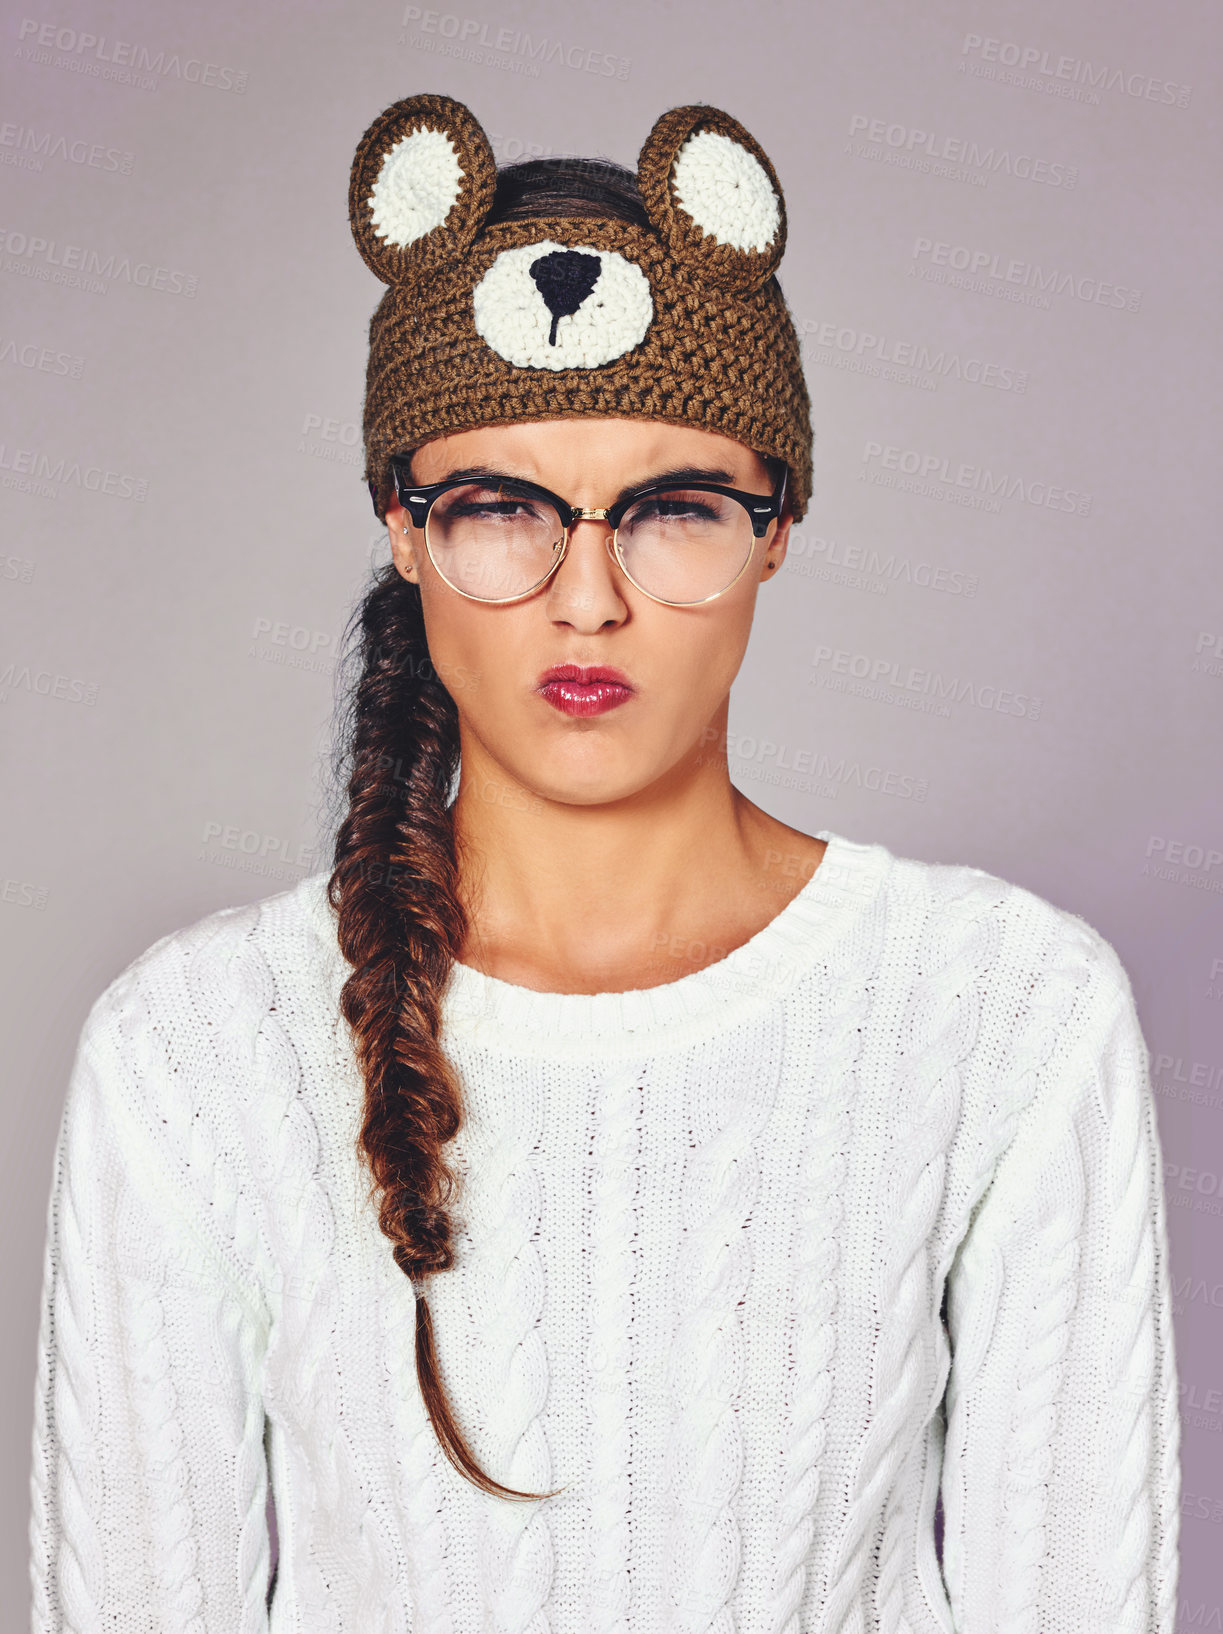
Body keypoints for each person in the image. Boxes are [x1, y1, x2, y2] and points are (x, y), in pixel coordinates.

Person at [28, 92, 1180, 1632]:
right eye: (501, 507)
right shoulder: (188, 1059)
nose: (589, 600)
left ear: (779, 526)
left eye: (674, 509)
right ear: (404, 524)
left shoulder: (1009, 1017)